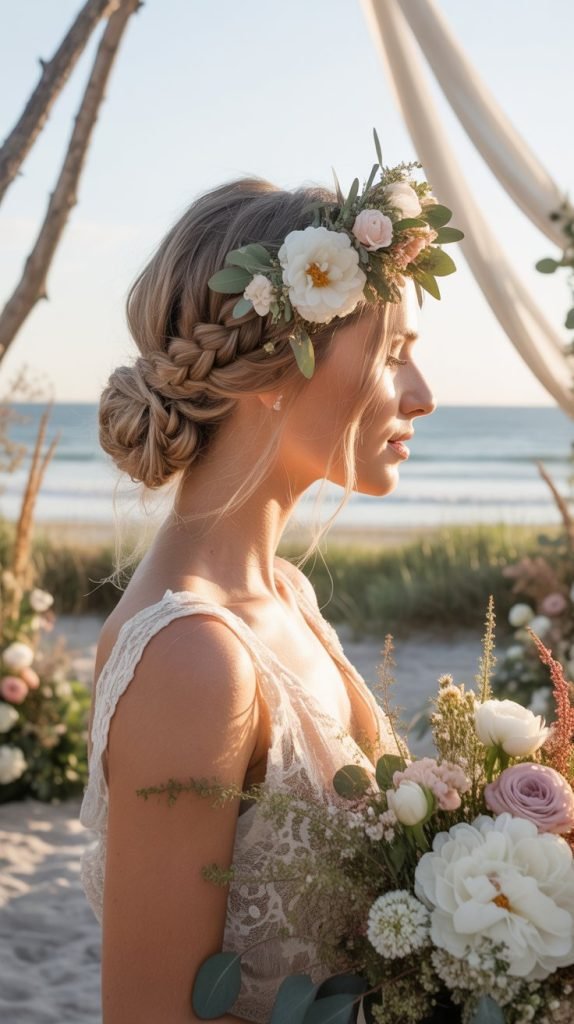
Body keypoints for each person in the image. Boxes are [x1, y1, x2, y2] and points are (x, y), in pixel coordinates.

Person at [79, 153, 460, 1022]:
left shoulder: (285, 597)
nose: (425, 395)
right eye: (394, 352)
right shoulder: (193, 663)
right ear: (277, 368)